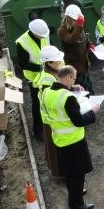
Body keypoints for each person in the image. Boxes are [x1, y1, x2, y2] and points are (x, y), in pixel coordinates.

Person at [41, 65, 99, 209]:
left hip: (59, 138)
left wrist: (72, 90)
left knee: (69, 172)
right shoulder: (67, 98)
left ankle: (76, 194)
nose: (74, 81)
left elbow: (58, 103)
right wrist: (92, 112)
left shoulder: (47, 91)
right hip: (73, 140)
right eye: (73, 78)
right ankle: (77, 204)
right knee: (78, 173)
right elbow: (78, 120)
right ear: (67, 77)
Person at [15, 18, 50, 141]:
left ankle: (48, 125)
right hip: (34, 79)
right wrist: (40, 67)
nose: (42, 37)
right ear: (33, 32)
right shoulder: (22, 42)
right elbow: (23, 64)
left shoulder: (44, 35)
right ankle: (38, 131)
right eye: (40, 36)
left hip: (46, 75)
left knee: (47, 100)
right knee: (37, 103)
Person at [35, 45, 64, 176]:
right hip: (51, 118)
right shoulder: (47, 80)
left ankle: (57, 168)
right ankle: (60, 172)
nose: (60, 62)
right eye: (57, 60)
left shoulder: (52, 73)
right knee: (56, 148)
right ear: (49, 63)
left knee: (53, 147)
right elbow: (53, 99)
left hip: (51, 117)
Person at [58, 4, 95, 94]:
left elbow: (83, 38)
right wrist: (79, 26)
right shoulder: (62, 30)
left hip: (83, 66)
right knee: (81, 93)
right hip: (74, 69)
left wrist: (89, 44)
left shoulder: (78, 27)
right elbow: (71, 40)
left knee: (89, 91)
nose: (77, 21)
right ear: (69, 19)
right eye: (75, 20)